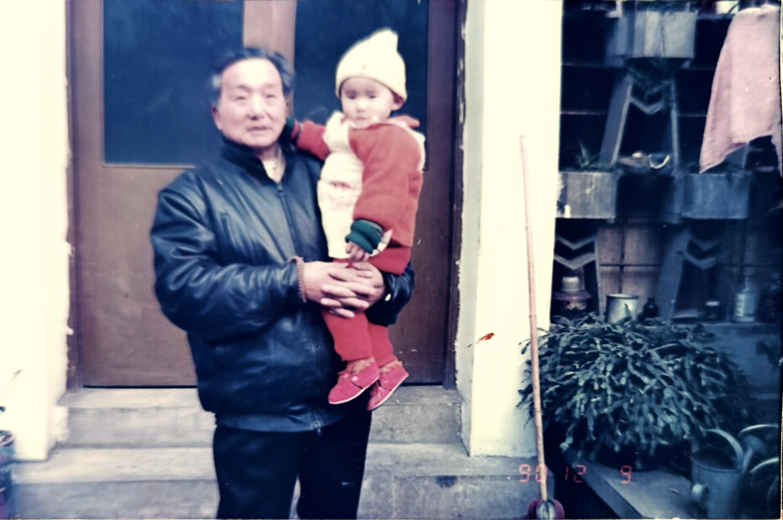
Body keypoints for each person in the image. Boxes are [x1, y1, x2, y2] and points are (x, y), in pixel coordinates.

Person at [149, 47, 415, 520]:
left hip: (343, 406)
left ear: (286, 106)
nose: (258, 109)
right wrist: (295, 282)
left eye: (270, 95)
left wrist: (384, 287)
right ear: (217, 113)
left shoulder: (334, 172)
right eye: (241, 97)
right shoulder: (191, 196)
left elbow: (398, 268)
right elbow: (184, 292)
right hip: (256, 414)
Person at [288, 29, 425, 410]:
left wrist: (369, 227)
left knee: (337, 295)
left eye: (371, 96)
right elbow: (324, 140)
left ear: (395, 100)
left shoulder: (393, 139)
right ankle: (388, 366)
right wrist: (293, 131)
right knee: (362, 307)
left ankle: (358, 364)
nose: (360, 106)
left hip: (374, 237)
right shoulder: (353, 133)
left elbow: (387, 184)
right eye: (351, 96)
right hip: (367, 237)